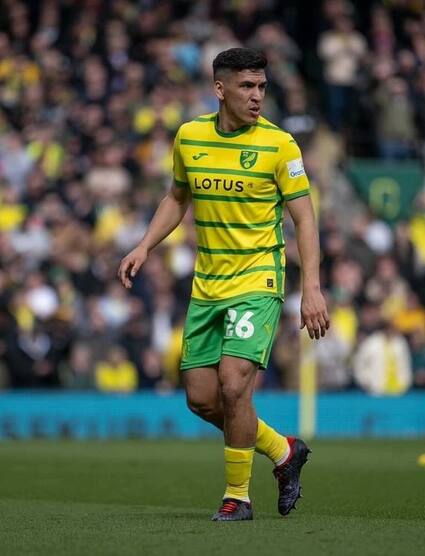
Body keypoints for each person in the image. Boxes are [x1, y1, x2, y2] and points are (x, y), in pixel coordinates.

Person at [117, 48, 329, 521]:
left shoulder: (280, 145)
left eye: (262, 87)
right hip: (207, 285)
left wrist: (312, 287)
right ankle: (284, 451)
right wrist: (144, 246)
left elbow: (305, 219)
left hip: (257, 279)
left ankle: (238, 497)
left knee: (234, 387)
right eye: (246, 86)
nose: (257, 96)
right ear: (220, 89)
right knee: (201, 399)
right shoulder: (189, 136)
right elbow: (177, 197)